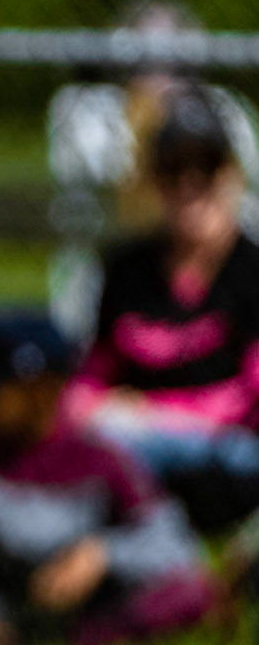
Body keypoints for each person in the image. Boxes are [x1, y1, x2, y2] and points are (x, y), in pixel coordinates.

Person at [0, 308, 214, 645]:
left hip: (92, 613)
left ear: (41, 391)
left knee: (189, 596)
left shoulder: (99, 459)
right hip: (2, 613)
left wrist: (101, 555)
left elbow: (177, 552)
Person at [65, 88, 259, 534]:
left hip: (224, 454)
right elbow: (90, 379)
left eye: (205, 168)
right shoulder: (125, 270)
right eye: (174, 170)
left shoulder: (251, 271)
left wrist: (154, 415)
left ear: (232, 175)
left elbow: (250, 402)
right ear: (155, 180)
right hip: (131, 442)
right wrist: (93, 408)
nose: (189, 185)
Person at [47, 0, 259, 340]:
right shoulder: (91, 119)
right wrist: (152, 119)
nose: (161, 76)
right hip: (116, 292)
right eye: (147, 63)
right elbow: (111, 177)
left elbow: (239, 203)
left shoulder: (224, 111)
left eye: (175, 65)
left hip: (208, 285)